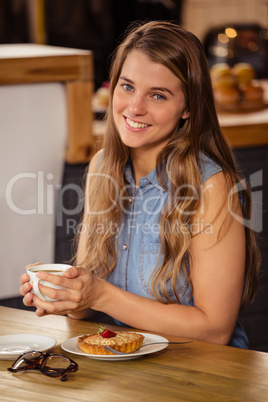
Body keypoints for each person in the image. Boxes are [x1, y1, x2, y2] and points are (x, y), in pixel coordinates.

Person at [20, 21, 260, 348]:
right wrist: (69, 293)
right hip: (124, 365)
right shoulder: (103, 167)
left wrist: (100, 294)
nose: (134, 108)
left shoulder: (213, 186)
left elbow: (214, 330)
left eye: (158, 95)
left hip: (200, 374)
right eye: (127, 87)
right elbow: (90, 308)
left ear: (188, 107)